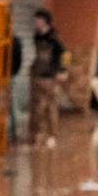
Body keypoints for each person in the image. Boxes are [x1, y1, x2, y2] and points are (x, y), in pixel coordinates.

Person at [28, 8, 68, 148]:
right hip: (37, 74)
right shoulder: (36, 36)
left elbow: (65, 55)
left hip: (50, 76)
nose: (35, 23)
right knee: (36, 107)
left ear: (45, 22)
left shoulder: (54, 39)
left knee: (50, 106)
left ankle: (52, 135)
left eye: (37, 20)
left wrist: (62, 70)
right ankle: (36, 134)